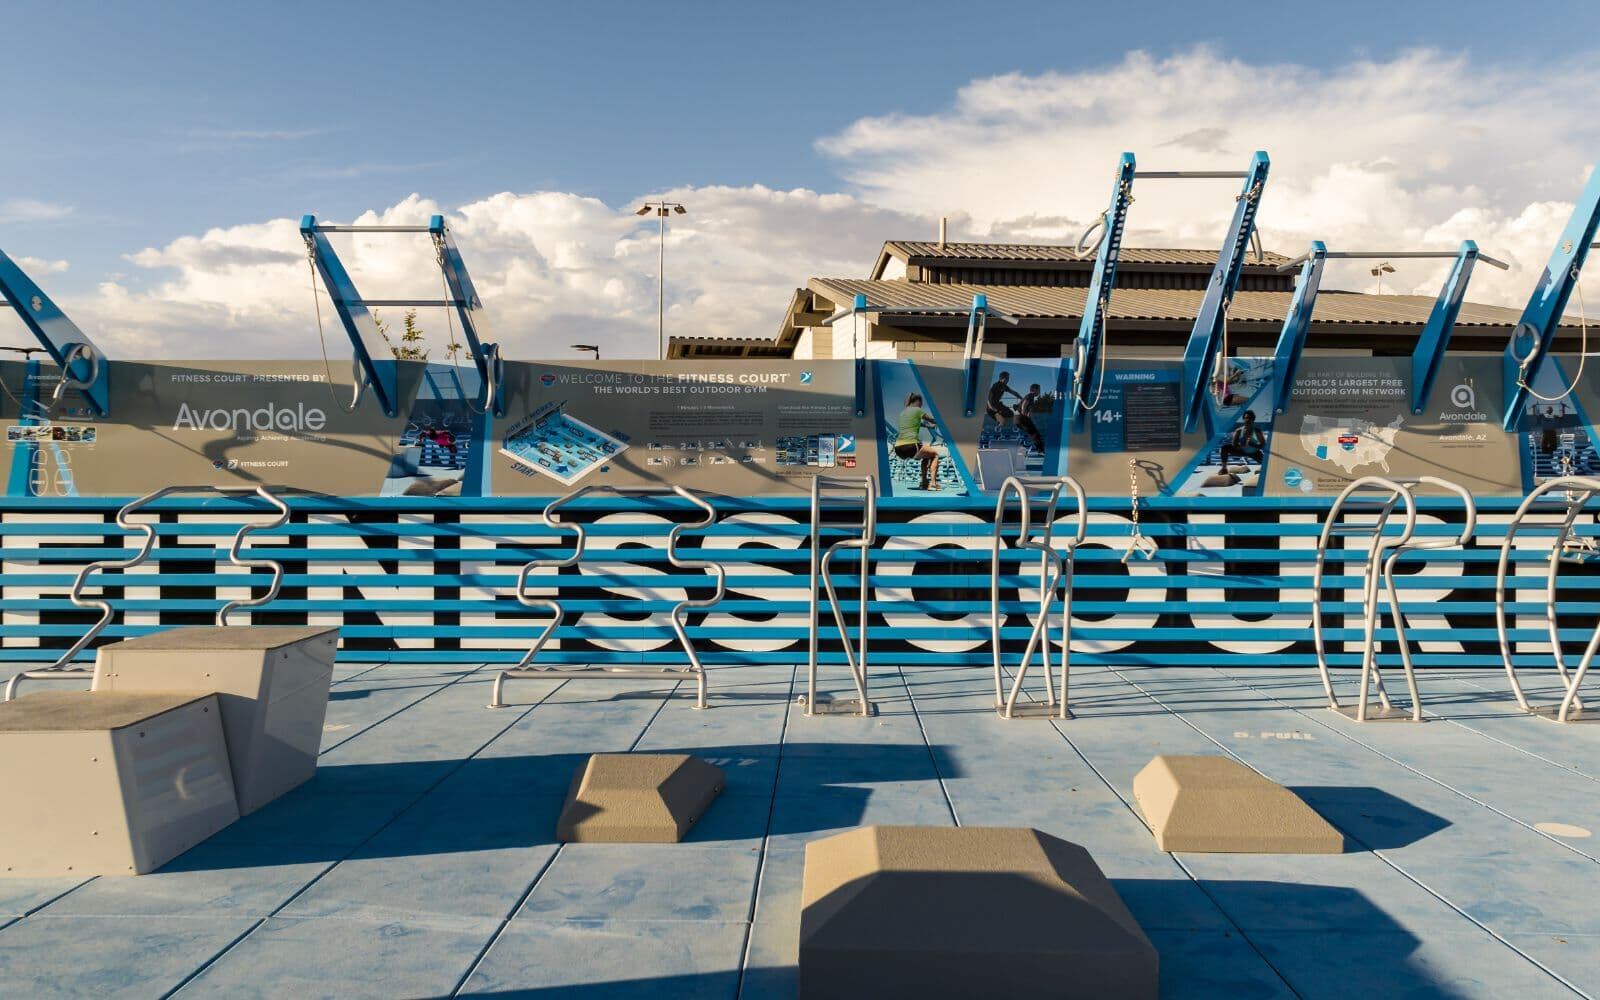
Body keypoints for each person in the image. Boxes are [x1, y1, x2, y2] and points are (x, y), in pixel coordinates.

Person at [894, 392, 943, 490]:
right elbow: (932, 420)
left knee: (926, 456)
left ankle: (924, 483)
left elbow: (917, 423)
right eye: (921, 404)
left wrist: (929, 426)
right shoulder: (917, 410)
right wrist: (942, 421)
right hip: (911, 446)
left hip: (898, 449)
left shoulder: (903, 413)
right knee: (935, 454)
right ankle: (933, 484)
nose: (921, 406)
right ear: (917, 402)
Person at [1218, 409, 1265, 476]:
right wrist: (1242, 446)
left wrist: (1253, 444)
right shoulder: (1239, 431)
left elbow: (1263, 445)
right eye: (1245, 418)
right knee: (1224, 448)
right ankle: (1224, 468)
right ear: (1243, 419)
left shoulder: (1257, 431)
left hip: (1254, 452)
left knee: (1268, 465)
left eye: (1249, 418)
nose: (1247, 420)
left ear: (1253, 420)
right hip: (1241, 451)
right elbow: (1234, 445)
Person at [1016, 383, 1046, 455]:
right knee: (1035, 434)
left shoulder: (1030, 397)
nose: (1039, 392)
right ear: (1035, 390)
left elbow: (1028, 410)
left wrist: (1028, 416)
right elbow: (1024, 405)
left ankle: (1023, 448)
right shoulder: (1030, 395)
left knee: (1031, 433)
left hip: (1017, 418)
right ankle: (1040, 451)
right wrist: (1024, 416)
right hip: (1021, 417)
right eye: (1039, 390)